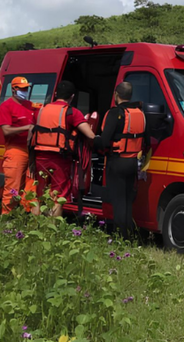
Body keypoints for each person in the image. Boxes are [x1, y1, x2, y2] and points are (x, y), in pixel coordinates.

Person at [27, 80, 95, 217]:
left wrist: (31, 160)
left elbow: (30, 136)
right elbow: (90, 135)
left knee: (38, 194)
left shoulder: (41, 110)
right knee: (58, 195)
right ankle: (52, 229)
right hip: (59, 159)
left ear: (56, 94)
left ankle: (34, 227)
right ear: (72, 96)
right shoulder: (72, 112)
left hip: (40, 156)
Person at [95, 82, 147, 240]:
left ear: (116, 95)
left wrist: (93, 141)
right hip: (133, 163)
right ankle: (129, 236)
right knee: (127, 200)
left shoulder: (114, 113)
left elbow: (104, 141)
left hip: (117, 162)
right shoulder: (140, 113)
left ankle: (120, 237)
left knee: (118, 201)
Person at [0, 76, 38, 215]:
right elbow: (6, 130)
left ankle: (24, 219)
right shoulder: (6, 106)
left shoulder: (30, 105)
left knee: (30, 188)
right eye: (22, 88)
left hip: (31, 151)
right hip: (15, 151)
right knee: (12, 189)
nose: (25, 90)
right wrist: (27, 127)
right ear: (13, 89)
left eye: (26, 88)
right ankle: (6, 219)